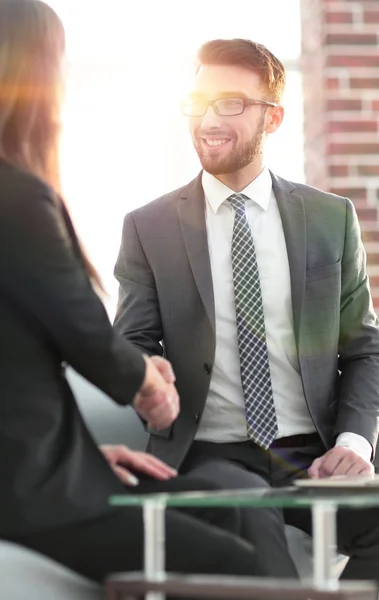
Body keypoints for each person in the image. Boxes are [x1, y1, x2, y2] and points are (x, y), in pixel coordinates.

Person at [0, 3, 265, 593]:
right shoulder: (16, 197)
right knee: (240, 566)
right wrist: (149, 387)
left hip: (36, 471)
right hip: (28, 496)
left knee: (219, 502)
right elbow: (88, 336)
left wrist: (90, 455)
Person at [114, 37, 379, 581]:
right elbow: (132, 345)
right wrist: (146, 380)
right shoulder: (149, 227)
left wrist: (354, 444)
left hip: (315, 454)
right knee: (255, 531)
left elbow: (364, 349)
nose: (209, 119)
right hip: (210, 455)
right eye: (200, 102)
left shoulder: (331, 217)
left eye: (231, 102)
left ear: (273, 117)